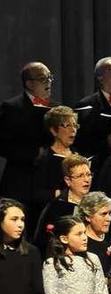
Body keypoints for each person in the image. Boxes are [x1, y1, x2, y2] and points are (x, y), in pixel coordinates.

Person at [0, 62, 56, 214]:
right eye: (43, 79)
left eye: (50, 78)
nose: (49, 82)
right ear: (29, 83)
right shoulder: (12, 107)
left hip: (47, 181)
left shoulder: (56, 108)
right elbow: (3, 145)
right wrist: (33, 154)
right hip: (21, 181)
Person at [33, 154, 93, 253]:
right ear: (68, 180)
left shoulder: (95, 203)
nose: (86, 180)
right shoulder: (56, 206)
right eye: (80, 176)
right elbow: (43, 240)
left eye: (89, 174)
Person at [33, 105, 79, 209]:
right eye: (67, 125)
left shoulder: (77, 153)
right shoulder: (45, 158)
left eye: (75, 125)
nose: (73, 130)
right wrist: (63, 194)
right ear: (54, 130)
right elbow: (37, 194)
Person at [75, 191, 111, 274]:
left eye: (110, 213)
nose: (109, 219)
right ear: (88, 216)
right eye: (103, 214)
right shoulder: (81, 243)